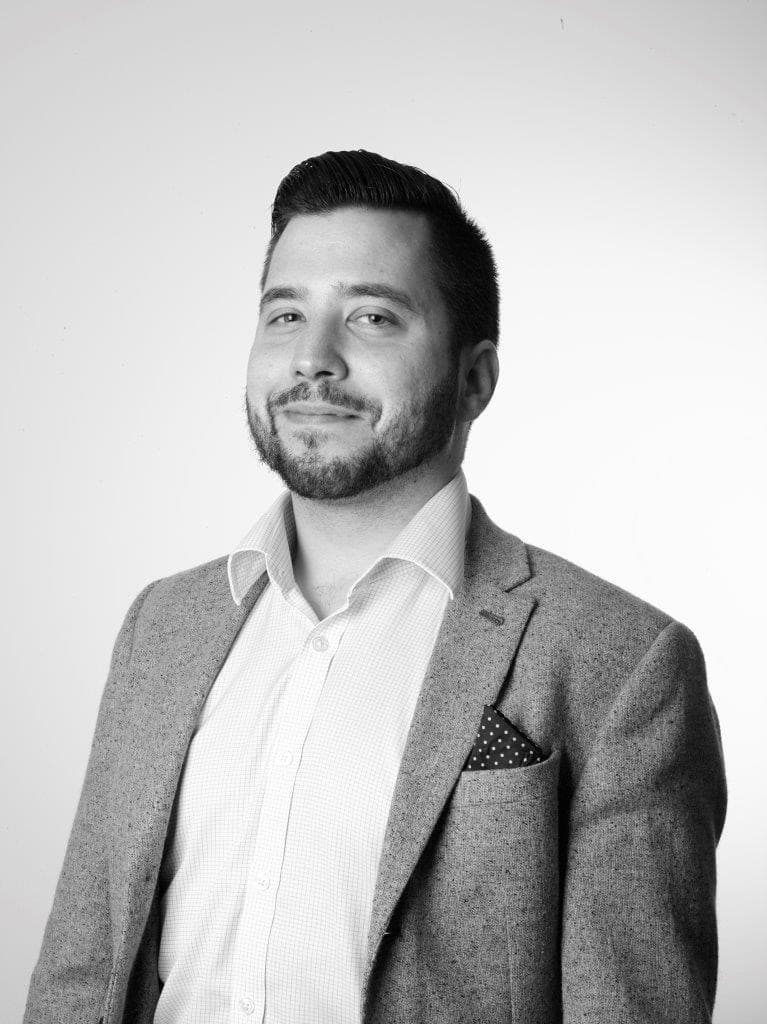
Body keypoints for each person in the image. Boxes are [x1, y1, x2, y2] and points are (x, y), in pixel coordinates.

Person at [24, 150, 727, 1024]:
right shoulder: (161, 625)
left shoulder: (619, 663)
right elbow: (81, 972)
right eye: (285, 314)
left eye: (371, 317)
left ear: (474, 378)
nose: (311, 359)